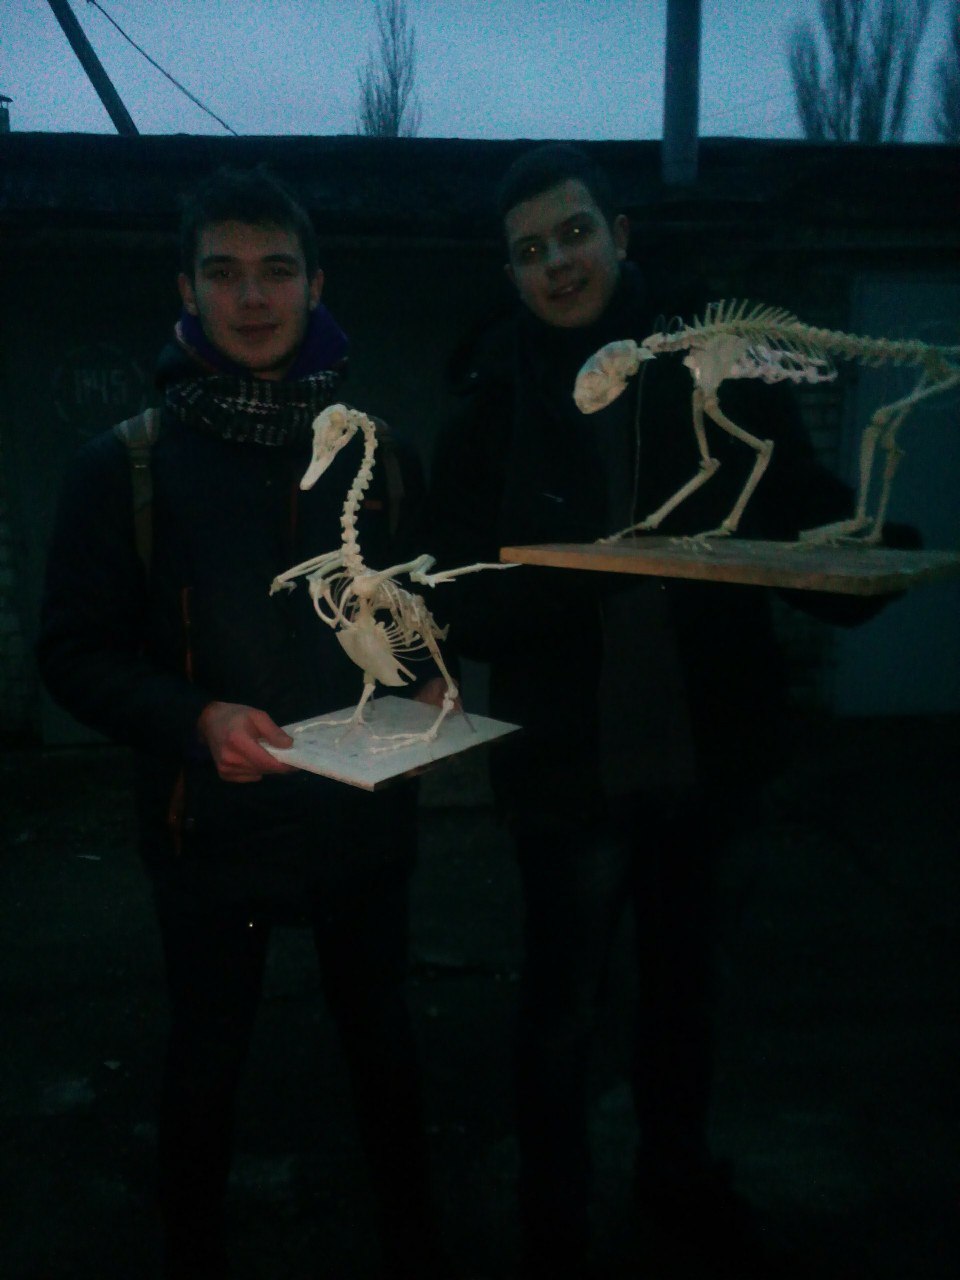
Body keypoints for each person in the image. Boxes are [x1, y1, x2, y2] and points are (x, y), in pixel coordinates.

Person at [427, 143, 909, 1279]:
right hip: (570, 772)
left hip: (709, 752)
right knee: (562, 1012)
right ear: (510, 272)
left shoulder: (714, 369)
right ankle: (555, 1220)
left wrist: (862, 567)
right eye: (530, 250)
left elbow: (795, 515)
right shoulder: (489, 408)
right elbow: (458, 600)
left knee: (686, 998)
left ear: (621, 235)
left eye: (575, 233)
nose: (558, 264)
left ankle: (676, 1183)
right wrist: (595, 571)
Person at [37, 165, 456, 1280]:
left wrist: (431, 685)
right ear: (187, 289)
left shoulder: (382, 454)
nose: (254, 297)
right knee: (206, 1063)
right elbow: (71, 653)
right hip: (210, 830)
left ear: (317, 282)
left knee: (383, 1045)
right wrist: (193, 718)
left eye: (277, 270)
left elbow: (420, 615)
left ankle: (415, 1240)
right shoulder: (123, 465)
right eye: (224, 273)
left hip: (362, 823)